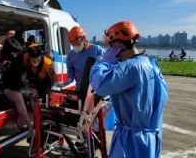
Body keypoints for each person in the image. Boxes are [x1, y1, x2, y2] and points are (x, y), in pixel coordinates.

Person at [89, 21, 169, 158]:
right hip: (151, 138)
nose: (110, 50)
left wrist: (104, 62)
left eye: (111, 46)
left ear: (118, 45)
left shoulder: (129, 67)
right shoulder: (152, 64)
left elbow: (100, 85)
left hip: (131, 141)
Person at [57, 26, 105, 91]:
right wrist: (65, 83)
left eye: (77, 44)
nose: (75, 46)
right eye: (73, 45)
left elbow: (106, 68)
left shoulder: (97, 50)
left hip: (96, 89)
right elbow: (71, 73)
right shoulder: (71, 55)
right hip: (80, 89)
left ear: (83, 39)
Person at [1, 38, 33, 131]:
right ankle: (29, 125)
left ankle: (35, 119)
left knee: (32, 93)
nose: (15, 54)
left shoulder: (20, 57)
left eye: (16, 53)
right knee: (18, 96)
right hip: (5, 88)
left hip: (17, 86)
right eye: (13, 52)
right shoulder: (2, 58)